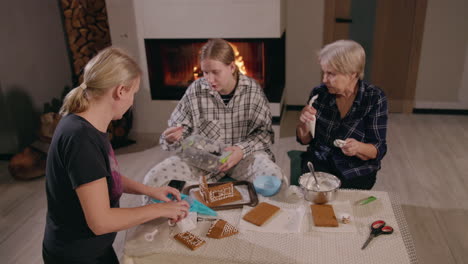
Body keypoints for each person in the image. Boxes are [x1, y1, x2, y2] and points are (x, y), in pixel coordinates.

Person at [42, 47, 189, 263]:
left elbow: (104, 175)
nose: (132, 101)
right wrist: (159, 209)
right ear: (121, 91)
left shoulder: (88, 124)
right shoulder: (81, 139)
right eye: (134, 93)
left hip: (93, 248)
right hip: (76, 255)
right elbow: (101, 221)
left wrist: (150, 190)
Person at [142, 38, 284, 194]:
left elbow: (265, 134)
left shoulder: (252, 91)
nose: (209, 79)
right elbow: (180, 133)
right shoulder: (195, 90)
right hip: (203, 161)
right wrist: (170, 138)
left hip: (244, 159)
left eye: (215, 72)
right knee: (154, 178)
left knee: (275, 178)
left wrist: (240, 150)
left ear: (231, 67)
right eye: (205, 72)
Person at [296, 40, 388, 190]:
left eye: (331, 74)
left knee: (346, 207)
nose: (324, 79)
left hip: (356, 169)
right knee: (315, 199)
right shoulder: (319, 93)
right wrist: (304, 123)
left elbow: (377, 148)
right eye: (324, 72)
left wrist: (358, 148)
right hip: (320, 162)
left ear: (353, 74)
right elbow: (304, 140)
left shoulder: (374, 98)